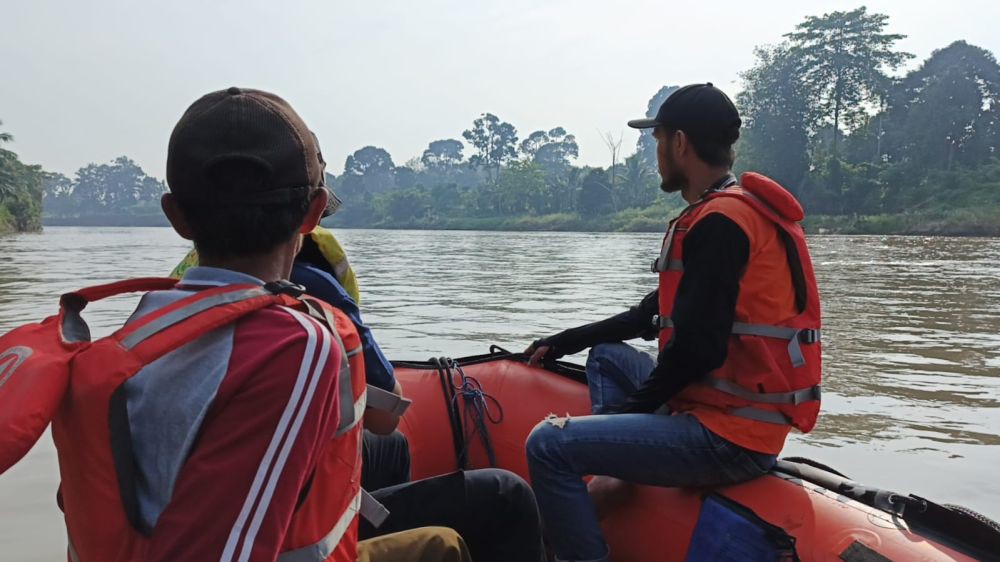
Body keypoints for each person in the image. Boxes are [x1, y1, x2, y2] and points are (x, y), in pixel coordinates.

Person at [50, 86, 472, 562]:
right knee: (477, 517)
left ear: (176, 217)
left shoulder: (139, 321)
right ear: (314, 212)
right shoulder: (298, 344)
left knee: (390, 454)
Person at [524, 83, 823, 562]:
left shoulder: (720, 223)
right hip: (715, 410)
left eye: (657, 140)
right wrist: (563, 342)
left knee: (547, 446)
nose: (656, 153)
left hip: (731, 438)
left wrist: (629, 415)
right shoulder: (731, 210)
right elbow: (649, 316)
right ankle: (620, 469)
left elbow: (698, 350)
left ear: (679, 143)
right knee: (605, 358)